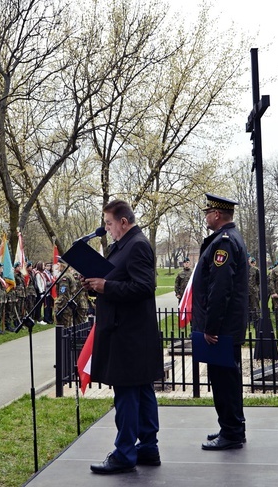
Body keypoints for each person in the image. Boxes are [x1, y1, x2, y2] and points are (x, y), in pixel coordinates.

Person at [81, 199, 163, 474]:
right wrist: (96, 285)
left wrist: (106, 286)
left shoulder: (137, 245)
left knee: (128, 393)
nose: (106, 229)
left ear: (123, 223)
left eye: (109, 224)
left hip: (130, 335)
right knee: (141, 390)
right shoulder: (123, 245)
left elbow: (143, 287)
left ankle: (125, 453)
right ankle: (148, 448)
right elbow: (118, 279)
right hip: (127, 332)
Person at [191, 193, 248, 450]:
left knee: (225, 381)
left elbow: (220, 288)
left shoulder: (223, 243)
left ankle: (232, 433)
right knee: (227, 380)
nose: (205, 216)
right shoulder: (227, 239)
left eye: (207, 212)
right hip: (226, 327)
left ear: (217, 214)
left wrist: (211, 327)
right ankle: (231, 427)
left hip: (221, 329)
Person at [248, 256, 260, 325]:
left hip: (253, 290)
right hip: (245, 291)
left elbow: (258, 280)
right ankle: (248, 320)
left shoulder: (255, 269)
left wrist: (255, 287)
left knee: (255, 306)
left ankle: (256, 320)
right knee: (246, 306)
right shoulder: (243, 269)